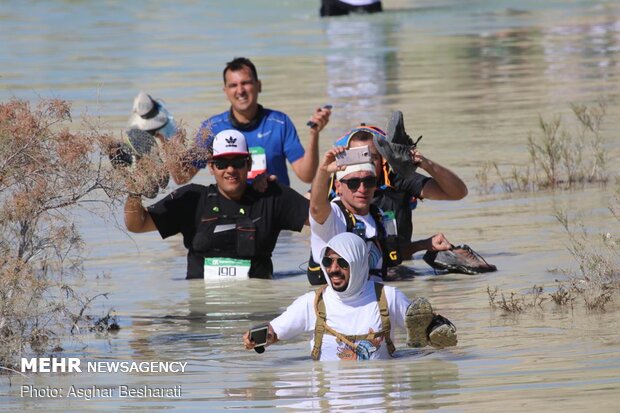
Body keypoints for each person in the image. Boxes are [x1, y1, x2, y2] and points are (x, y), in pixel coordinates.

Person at [124, 129, 309, 280]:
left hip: (257, 310)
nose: (230, 170)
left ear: (249, 163)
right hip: (203, 317)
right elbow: (136, 224)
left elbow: (322, 218)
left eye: (238, 162)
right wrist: (134, 191)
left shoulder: (271, 197)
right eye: (221, 163)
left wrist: (331, 179)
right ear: (211, 167)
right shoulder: (191, 199)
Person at [243, 232, 457, 361]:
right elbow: (275, 332)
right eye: (328, 262)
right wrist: (256, 338)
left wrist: (437, 332)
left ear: (358, 263)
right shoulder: (312, 304)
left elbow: (426, 332)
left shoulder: (387, 297)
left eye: (342, 262)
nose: (333, 269)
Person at [176, 57, 331, 186]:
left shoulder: (279, 123)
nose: (240, 90)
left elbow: (307, 176)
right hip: (232, 212)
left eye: (246, 83)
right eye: (233, 85)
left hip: (275, 209)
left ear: (259, 85)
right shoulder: (212, 128)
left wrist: (313, 134)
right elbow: (182, 177)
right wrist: (165, 138)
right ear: (225, 92)